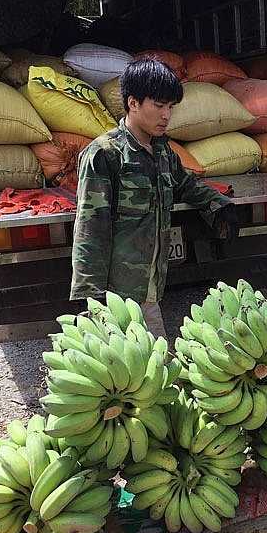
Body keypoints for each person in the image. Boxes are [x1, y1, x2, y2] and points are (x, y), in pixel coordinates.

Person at [70, 57, 239, 339]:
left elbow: (186, 183)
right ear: (133, 103)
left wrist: (219, 205)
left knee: (158, 368)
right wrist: (90, 297)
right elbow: (90, 231)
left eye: (170, 107)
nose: (166, 115)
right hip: (115, 298)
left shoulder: (162, 153)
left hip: (150, 292)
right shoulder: (105, 155)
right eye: (159, 106)